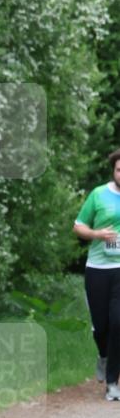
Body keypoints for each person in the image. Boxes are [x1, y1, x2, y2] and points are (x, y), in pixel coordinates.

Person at [73, 147, 120, 401]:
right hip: (98, 268)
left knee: (118, 322)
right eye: (119, 169)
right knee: (101, 326)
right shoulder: (99, 195)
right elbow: (78, 225)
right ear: (113, 171)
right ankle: (103, 356)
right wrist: (97, 234)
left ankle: (112, 383)